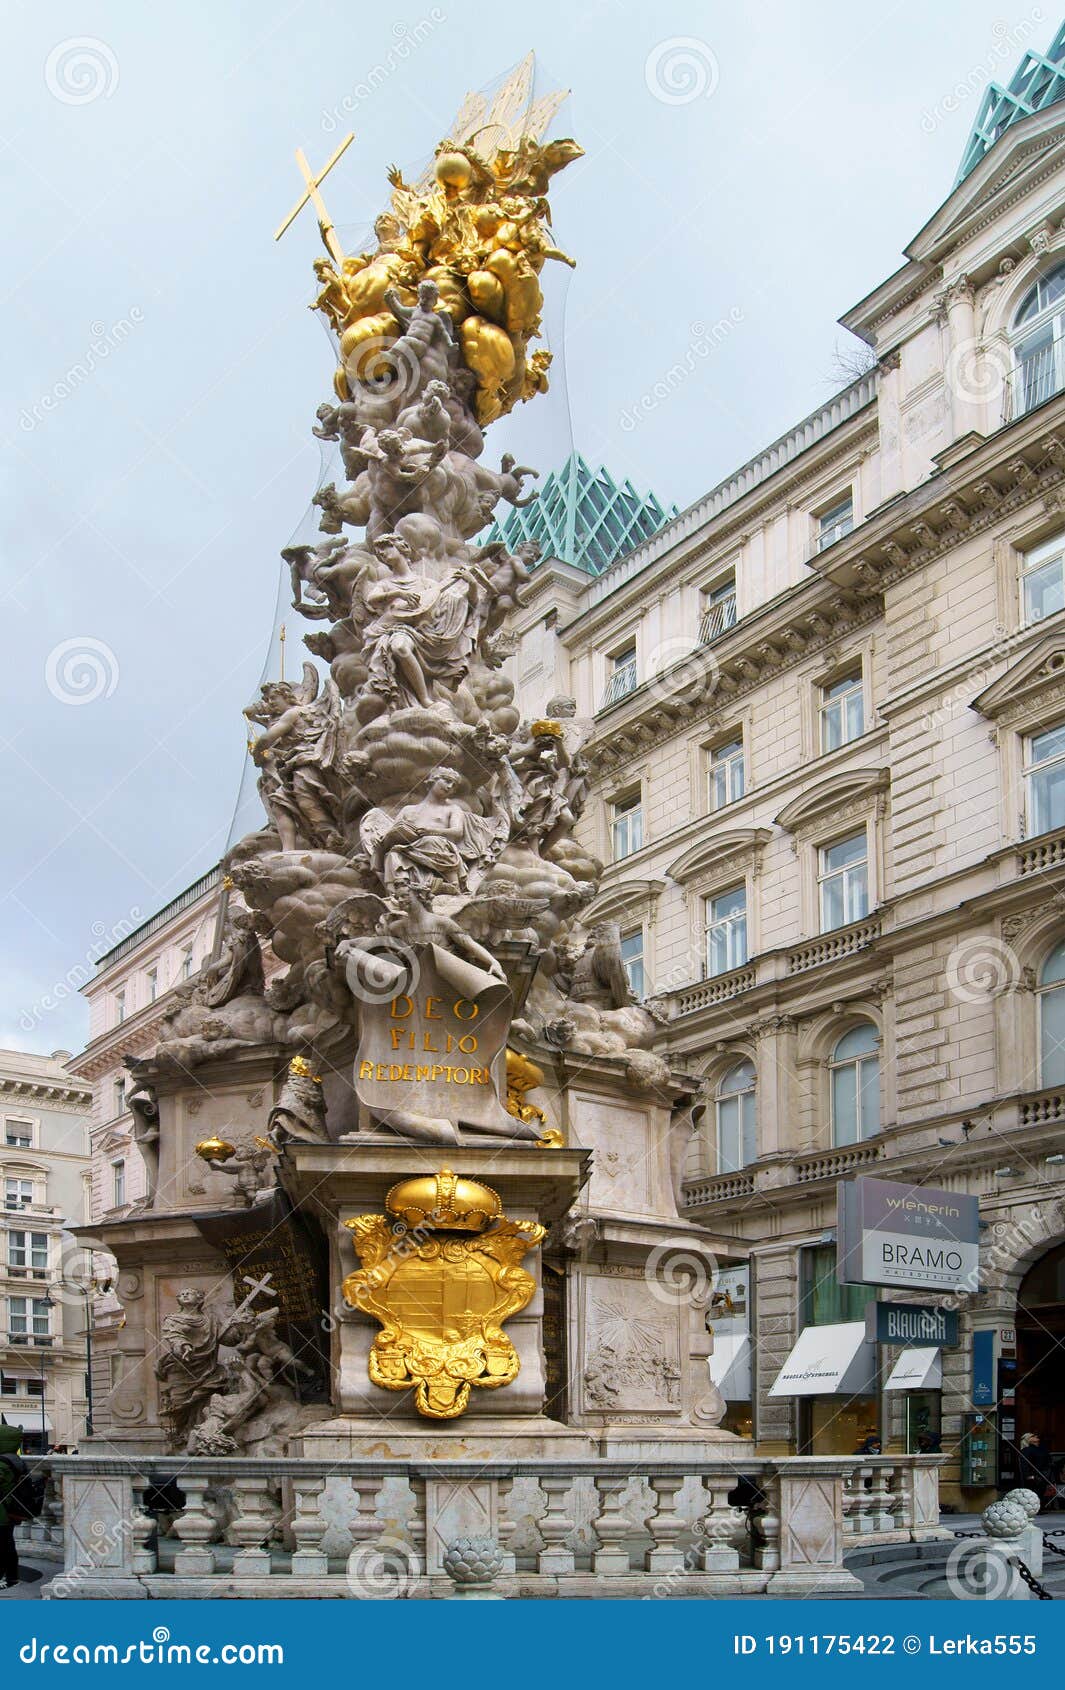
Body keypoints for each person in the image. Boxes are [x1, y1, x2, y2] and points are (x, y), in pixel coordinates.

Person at [0, 1421, 24, 1590]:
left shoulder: (2, 1463)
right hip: (10, 1510)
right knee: (8, 1544)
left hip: (2, 1512)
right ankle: (12, 1577)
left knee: (3, 1545)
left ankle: (6, 1578)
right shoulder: (16, 1460)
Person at [1019, 1431, 1054, 1500]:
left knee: (1041, 1495)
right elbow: (1024, 1464)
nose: (1035, 1436)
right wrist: (1029, 1476)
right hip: (1035, 1478)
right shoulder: (1026, 1450)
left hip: (1044, 1475)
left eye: (1035, 1436)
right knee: (1035, 1496)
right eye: (1032, 1436)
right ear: (1027, 1440)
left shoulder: (1041, 1448)